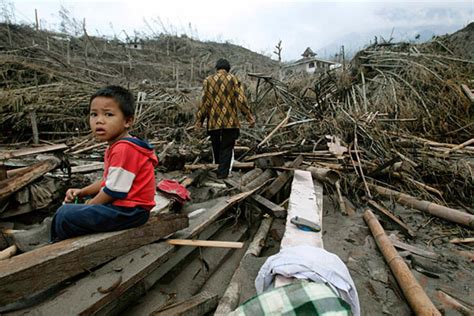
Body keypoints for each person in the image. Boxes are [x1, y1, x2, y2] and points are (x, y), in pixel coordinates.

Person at [50, 85, 158, 241]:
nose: (99, 120)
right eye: (94, 114)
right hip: (126, 209)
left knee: (64, 214)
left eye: (108, 114)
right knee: (73, 207)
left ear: (127, 121)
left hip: (130, 212)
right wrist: (83, 192)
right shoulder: (117, 146)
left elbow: (114, 191)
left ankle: (57, 246)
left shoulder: (124, 149)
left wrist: (91, 204)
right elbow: (108, 181)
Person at [195, 58, 255, 179]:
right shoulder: (233, 79)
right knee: (227, 148)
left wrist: (199, 121)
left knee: (216, 147)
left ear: (217, 68)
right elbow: (241, 100)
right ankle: (222, 175)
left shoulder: (208, 81)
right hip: (230, 122)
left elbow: (204, 102)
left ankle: (217, 169)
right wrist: (249, 117)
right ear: (228, 69)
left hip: (213, 123)